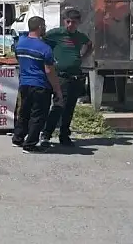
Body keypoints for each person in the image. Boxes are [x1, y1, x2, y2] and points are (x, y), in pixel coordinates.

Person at [40, 8, 93, 147]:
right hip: (60, 76)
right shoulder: (56, 33)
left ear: (78, 23)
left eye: (74, 22)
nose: (70, 25)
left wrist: (83, 56)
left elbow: (89, 44)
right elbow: (42, 41)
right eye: (68, 22)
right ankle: (46, 134)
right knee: (59, 105)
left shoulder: (80, 36)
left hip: (75, 76)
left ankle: (64, 135)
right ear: (64, 21)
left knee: (70, 107)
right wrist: (49, 58)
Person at [12, 16, 63, 154]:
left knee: (24, 112)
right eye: (44, 25)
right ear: (40, 27)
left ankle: (18, 138)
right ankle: (30, 145)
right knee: (38, 115)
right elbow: (49, 71)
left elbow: (18, 59)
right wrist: (57, 90)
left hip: (24, 83)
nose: (45, 28)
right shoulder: (45, 48)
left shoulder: (20, 43)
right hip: (40, 85)